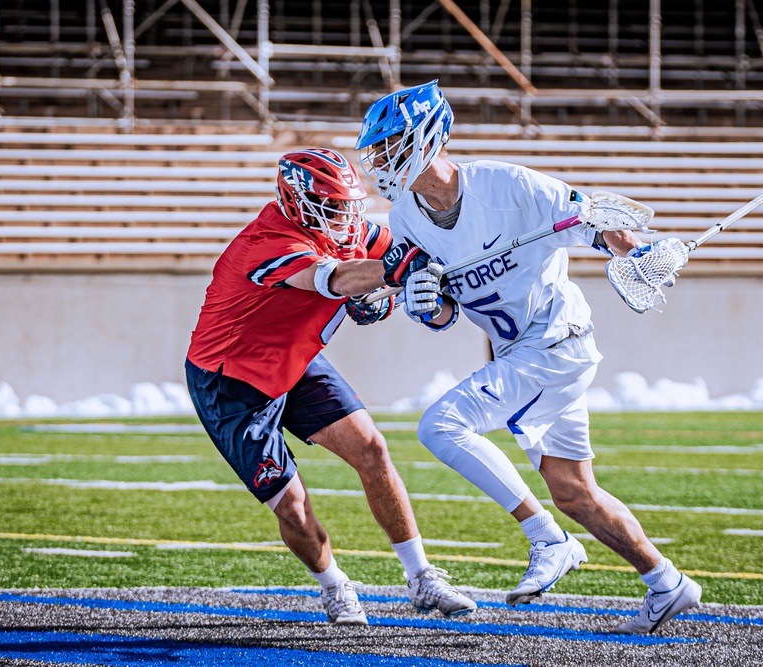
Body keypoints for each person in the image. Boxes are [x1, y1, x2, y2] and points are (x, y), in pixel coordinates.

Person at [354, 81, 701, 634]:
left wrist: (638, 252)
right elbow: (443, 313)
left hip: (555, 342)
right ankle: (666, 583)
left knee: (441, 425)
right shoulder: (406, 220)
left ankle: (548, 540)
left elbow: (591, 218)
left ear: (426, 136)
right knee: (573, 491)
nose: (380, 158)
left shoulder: (505, 183)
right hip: (519, 352)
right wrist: (426, 305)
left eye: (390, 142)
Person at [184, 147, 477, 625]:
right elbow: (334, 277)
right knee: (294, 506)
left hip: (296, 364)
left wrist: (408, 286)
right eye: (334, 207)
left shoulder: (346, 228)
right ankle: (335, 586)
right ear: (298, 203)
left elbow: (413, 259)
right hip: (232, 382)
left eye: (348, 205)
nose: (346, 219)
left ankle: (422, 578)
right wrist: (387, 277)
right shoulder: (265, 243)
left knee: (373, 450)